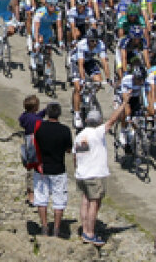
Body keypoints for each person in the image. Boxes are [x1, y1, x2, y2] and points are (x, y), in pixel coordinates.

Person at [73, 101, 128, 246]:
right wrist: (123, 104)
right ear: (99, 122)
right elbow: (113, 119)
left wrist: (77, 170)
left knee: (85, 201)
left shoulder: (79, 136)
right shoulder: (97, 132)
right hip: (95, 174)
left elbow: (75, 156)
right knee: (94, 203)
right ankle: (90, 233)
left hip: (81, 174)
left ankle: (85, 230)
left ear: (86, 121)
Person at [33, 102, 74, 237]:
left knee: (41, 198)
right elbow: (69, 149)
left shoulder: (40, 128)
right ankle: (56, 228)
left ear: (47, 113)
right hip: (58, 168)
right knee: (59, 200)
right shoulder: (65, 130)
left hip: (42, 168)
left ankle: (44, 226)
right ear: (59, 114)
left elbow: (35, 145)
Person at [19, 95, 45, 204]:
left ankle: (30, 194)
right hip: (35, 143)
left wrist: (43, 112)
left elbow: (34, 117)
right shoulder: (37, 120)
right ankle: (36, 195)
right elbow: (38, 121)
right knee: (37, 168)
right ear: (35, 107)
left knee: (29, 169)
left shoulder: (24, 117)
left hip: (27, 142)